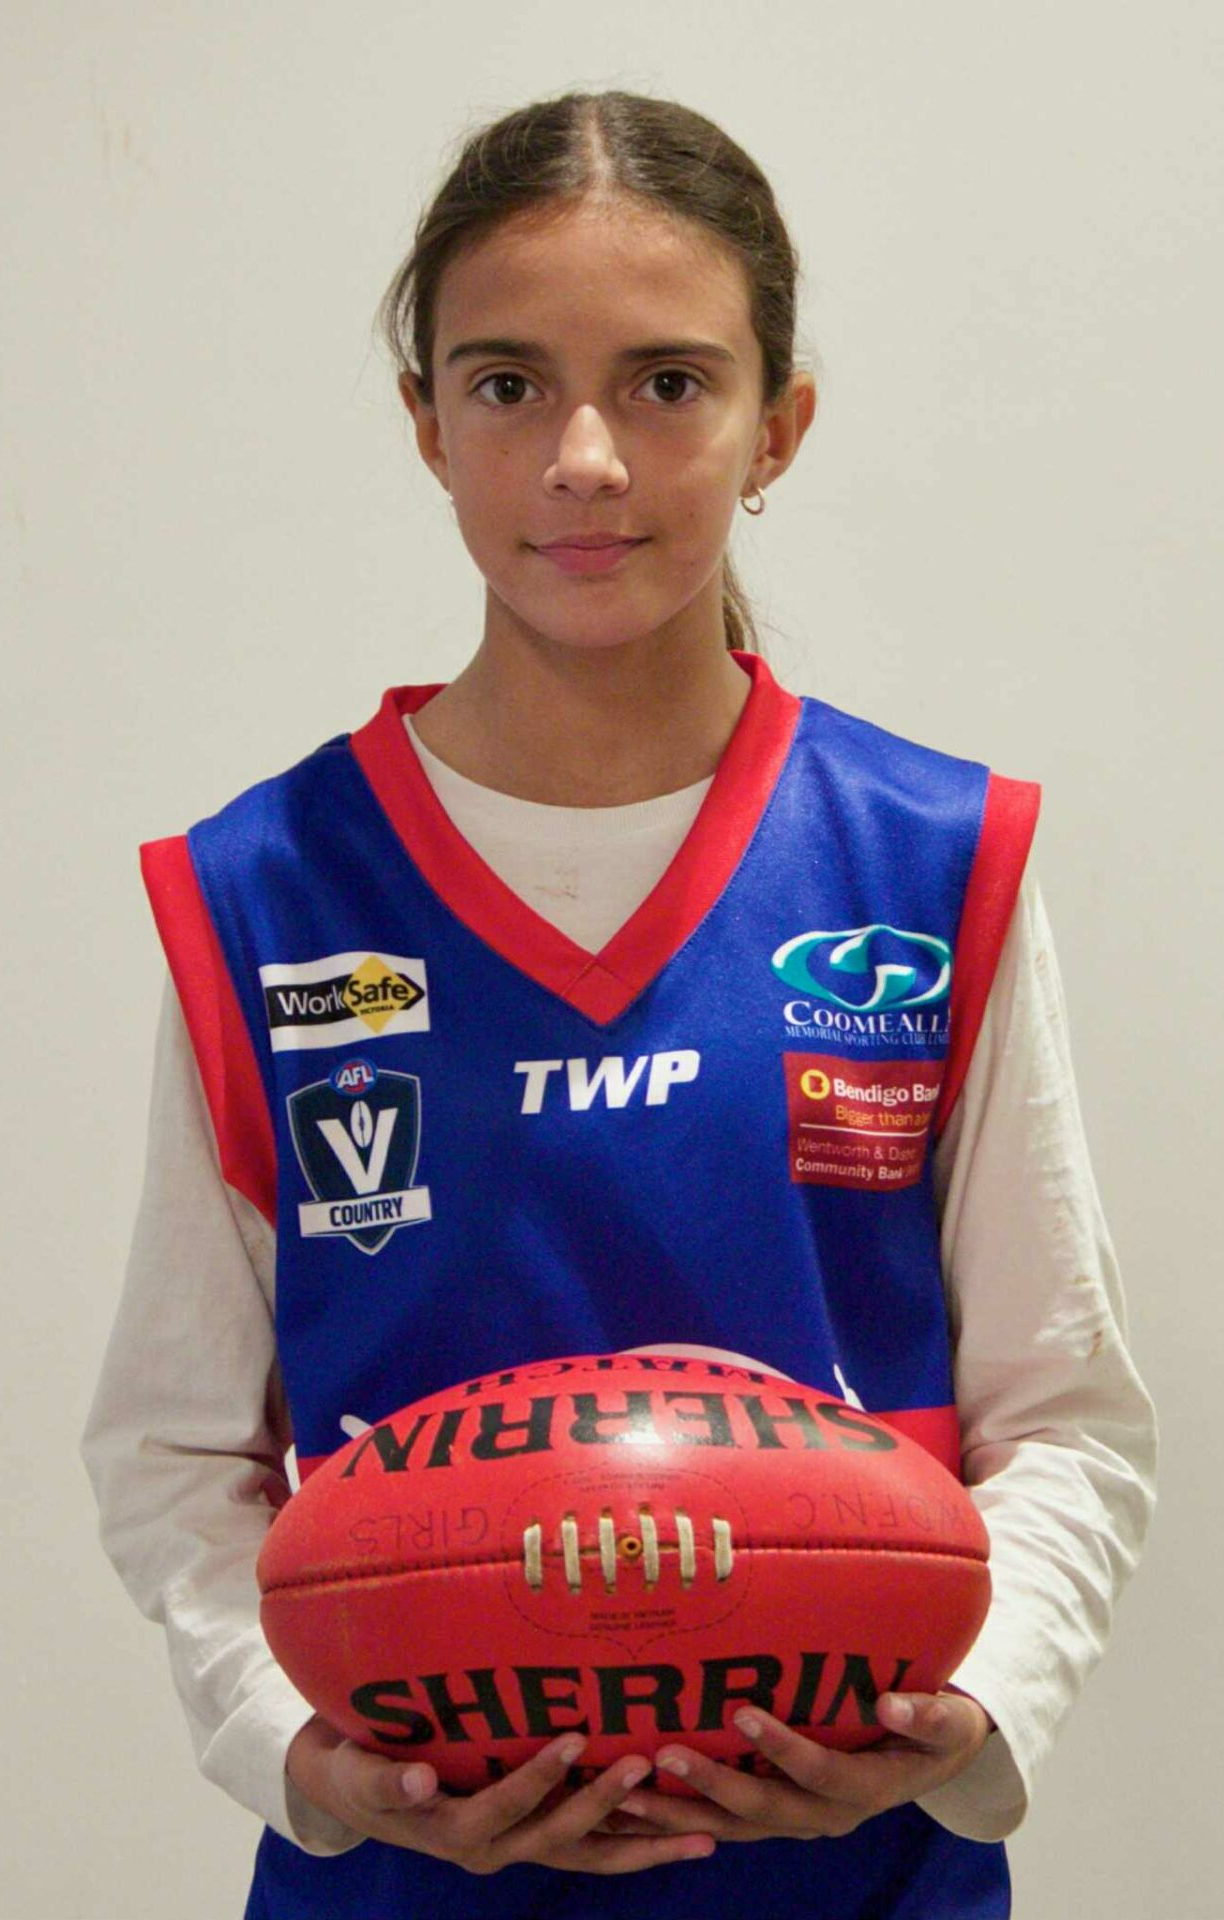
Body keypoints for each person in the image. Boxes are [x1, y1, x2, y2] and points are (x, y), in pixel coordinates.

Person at [82, 87, 1157, 1920]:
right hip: (408, 1874)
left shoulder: (929, 855)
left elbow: (1062, 1408)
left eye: (667, 383)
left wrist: (968, 1711)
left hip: (855, 1875)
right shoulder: (265, 888)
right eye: (508, 385)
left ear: (776, 426)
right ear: (427, 425)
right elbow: (177, 1450)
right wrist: (305, 1754)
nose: (585, 457)